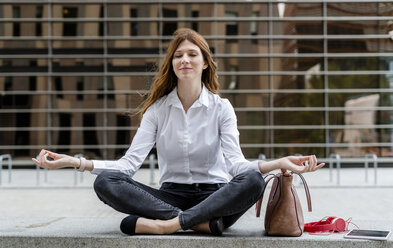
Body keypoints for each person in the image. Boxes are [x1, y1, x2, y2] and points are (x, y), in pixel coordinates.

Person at [33, 28, 325, 236]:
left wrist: (279, 163)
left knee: (251, 180)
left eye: (192, 54)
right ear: (172, 64)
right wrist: (75, 162)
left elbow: (237, 165)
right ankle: (197, 224)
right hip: (168, 198)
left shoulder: (222, 108)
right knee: (107, 182)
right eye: (178, 55)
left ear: (205, 63)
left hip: (216, 197)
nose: (184, 59)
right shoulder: (157, 110)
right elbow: (127, 165)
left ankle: (168, 225)